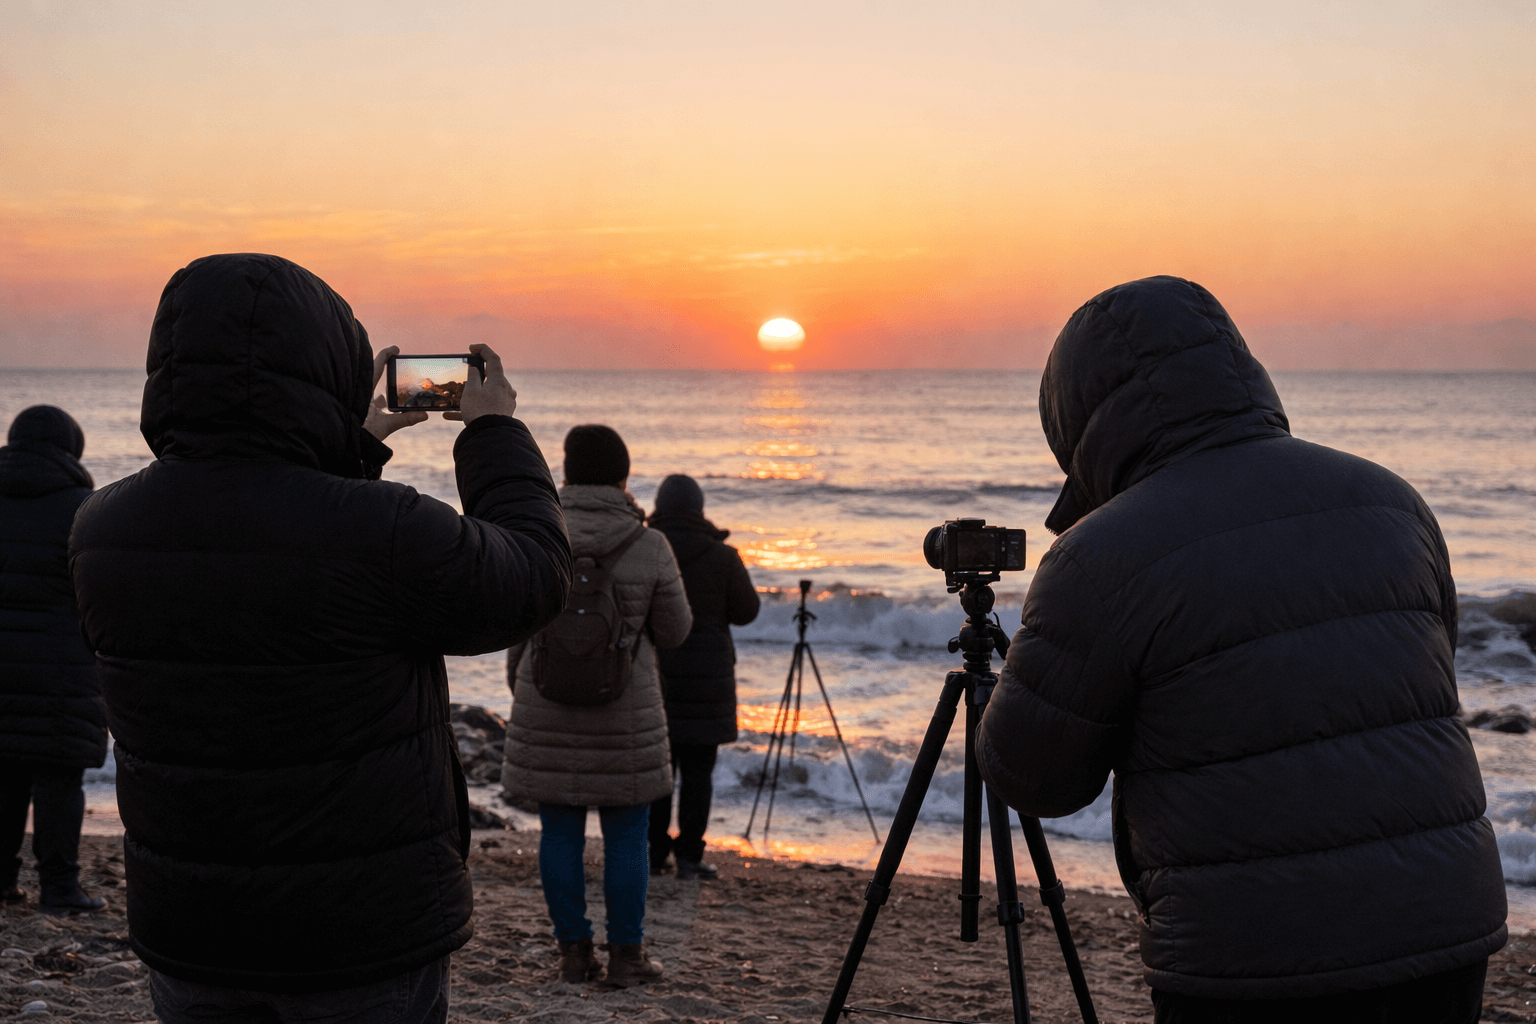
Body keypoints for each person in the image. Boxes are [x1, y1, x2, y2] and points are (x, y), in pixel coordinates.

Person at [975, 275, 1506, 1024]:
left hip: (1249, 953)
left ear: (1078, 421)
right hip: (1445, 923)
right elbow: (1424, 674)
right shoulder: (1393, 502)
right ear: (1237, 366)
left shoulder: (1100, 558)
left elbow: (1036, 777)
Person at [69, 253, 571, 1024]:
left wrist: (354, 446)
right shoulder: (383, 532)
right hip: (357, 939)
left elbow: (275, 537)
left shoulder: (102, 529)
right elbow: (533, 578)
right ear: (329, 367)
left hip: (192, 928)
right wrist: (495, 431)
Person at [501, 425, 692, 987]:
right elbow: (677, 631)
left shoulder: (540, 533)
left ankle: (574, 954)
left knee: (558, 834)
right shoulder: (649, 544)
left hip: (547, 702)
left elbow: (519, 622)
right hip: (625, 714)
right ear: (623, 476)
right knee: (627, 836)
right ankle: (628, 956)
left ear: (564, 471)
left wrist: (522, 683)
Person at [0, 406, 107, 915]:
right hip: (63, 670)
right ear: (74, 447)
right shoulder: (83, 509)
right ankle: (60, 889)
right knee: (60, 780)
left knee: (3, 776)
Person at [645, 473, 760, 879]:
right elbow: (747, 612)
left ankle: (653, 854)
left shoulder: (646, 549)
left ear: (659, 506)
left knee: (659, 771)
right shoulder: (723, 556)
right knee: (698, 774)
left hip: (654, 676)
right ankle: (690, 858)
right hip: (708, 680)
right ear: (699, 508)